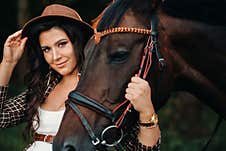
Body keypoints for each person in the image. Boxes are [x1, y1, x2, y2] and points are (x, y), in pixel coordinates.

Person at [0, 3, 160, 151]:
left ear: (77, 42)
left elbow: (141, 149)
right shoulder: (45, 86)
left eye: (62, 44)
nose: (55, 56)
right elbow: (2, 118)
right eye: (47, 49)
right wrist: (8, 63)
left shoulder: (99, 88)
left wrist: (147, 111)